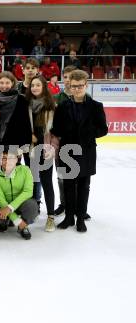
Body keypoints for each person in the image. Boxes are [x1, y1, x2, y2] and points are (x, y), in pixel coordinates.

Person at [51, 70, 108, 232]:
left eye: (80, 86)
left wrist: (87, 133)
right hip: (67, 150)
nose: (76, 89)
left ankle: (80, 218)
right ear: (69, 85)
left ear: (86, 85)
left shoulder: (96, 106)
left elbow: (103, 129)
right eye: (73, 86)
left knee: (84, 186)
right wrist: (63, 131)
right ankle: (69, 217)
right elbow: (57, 128)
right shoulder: (62, 107)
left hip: (86, 151)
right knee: (68, 185)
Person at [25, 75, 58, 232]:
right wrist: (28, 135)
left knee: (46, 182)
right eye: (32, 85)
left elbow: (56, 133)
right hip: (31, 149)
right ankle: (31, 212)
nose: (35, 88)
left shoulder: (51, 107)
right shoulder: (28, 106)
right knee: (30, 182)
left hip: (45, 150)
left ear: (44, 87)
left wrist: (52, 148)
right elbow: (22, 125)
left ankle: (50, 216)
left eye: (38, 85)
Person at [0, 148, 38, 240]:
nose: (7, 161)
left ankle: (23, 226)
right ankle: (5, 220)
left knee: (32, 206)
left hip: (21, 203)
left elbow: (28, 192)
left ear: (16, 159)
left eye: (11, 158)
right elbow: (0, 198)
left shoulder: (25, 170)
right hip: (3, 204)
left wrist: (10, 208)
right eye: (4, 158)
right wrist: (16, 220)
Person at [53, 65, 78, 216]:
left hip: (79, 145)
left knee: (78, 178)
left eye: (72, 77)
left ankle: (76, 206)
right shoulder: (56, 98)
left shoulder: (85, 98)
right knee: (62, 177)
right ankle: (64, 204)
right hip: (61, 146)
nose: (69, 80)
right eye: (66, 77)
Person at [0, 71, 31, 150]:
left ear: (12, 83)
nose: (4, 86)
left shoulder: (21, 99)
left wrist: (24, 145)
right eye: (2, 83)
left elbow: (25, 123)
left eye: (7, 83)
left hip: (14, 142)